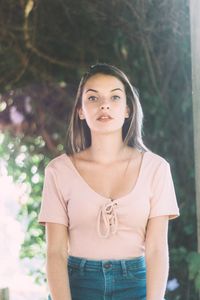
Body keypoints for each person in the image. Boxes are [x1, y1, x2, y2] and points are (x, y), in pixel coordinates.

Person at [38, 63, 180, 300]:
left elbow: (156, 249)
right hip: (77, 286)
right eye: (93, 98)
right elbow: (55, 252)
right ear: (81, 111)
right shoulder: (58, 171)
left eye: (114, 97)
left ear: (127, 109)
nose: (104, 104)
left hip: (138, 286)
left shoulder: (156, 169)